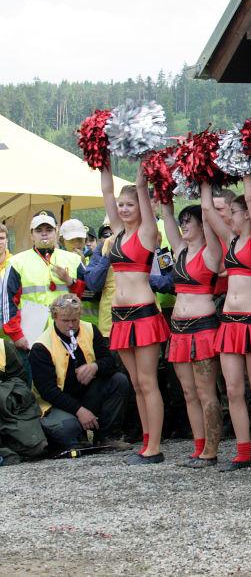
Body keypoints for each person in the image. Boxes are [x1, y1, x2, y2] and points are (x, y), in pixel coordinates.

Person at [99, 165, 170, 464]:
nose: (124, 209)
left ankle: (155, 447)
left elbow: (142, 194)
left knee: (148, 381)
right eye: (121, 205)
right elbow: (106, 191)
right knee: (137, 383)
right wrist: (103, 160)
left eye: (130, 205)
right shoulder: (118, 233)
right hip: (120, 316)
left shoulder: (146, 232)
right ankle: (146, 442)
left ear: (141, 206)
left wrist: (142, 178)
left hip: (143, 314)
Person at [203, 179, 251, 471]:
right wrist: (203, 178)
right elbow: (207, 210)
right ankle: (243, 451)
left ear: (246, 213)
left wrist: (248, 175)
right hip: (230, 322)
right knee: (233, 389)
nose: (229, 217)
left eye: (233, 211)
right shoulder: (231, 239)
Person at [159, 199, 223, 468]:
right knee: (188, 392)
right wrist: (163, 195)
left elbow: (208, 215)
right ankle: (199, 447)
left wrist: (203, 190)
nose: (184, 226)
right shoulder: (181, 251)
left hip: (202, 328)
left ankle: (211, 450)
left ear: (201, 225)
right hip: (179, 331)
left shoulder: (210, 252)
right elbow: (167, 218)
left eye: (189, 222)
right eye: (182, 221)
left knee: (206, 392)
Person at [30, 294, 130, 450]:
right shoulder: (41, 346)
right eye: (65, 321)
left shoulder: (90, 329)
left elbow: (111, 363)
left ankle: (107, 436)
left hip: (87, 393)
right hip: (56, 404)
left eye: (74, 320)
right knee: (69, 428)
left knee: (119, 380)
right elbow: (48, 391)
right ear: (54, 317)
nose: (71, 325)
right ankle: (76, 435)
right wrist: (79, 410)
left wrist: (95, 366)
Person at [2, 213, 87, 378]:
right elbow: (7, 301)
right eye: (39, 230)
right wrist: (16, 334)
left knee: (67, 380)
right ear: (31, 235)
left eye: (49, 229)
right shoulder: (17, 262)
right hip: (32, 335)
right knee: (35, 381)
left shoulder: (73, 260)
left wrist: (70, 281)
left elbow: (90, 293)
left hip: (67, 331)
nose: (44, 234)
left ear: (56, 232)